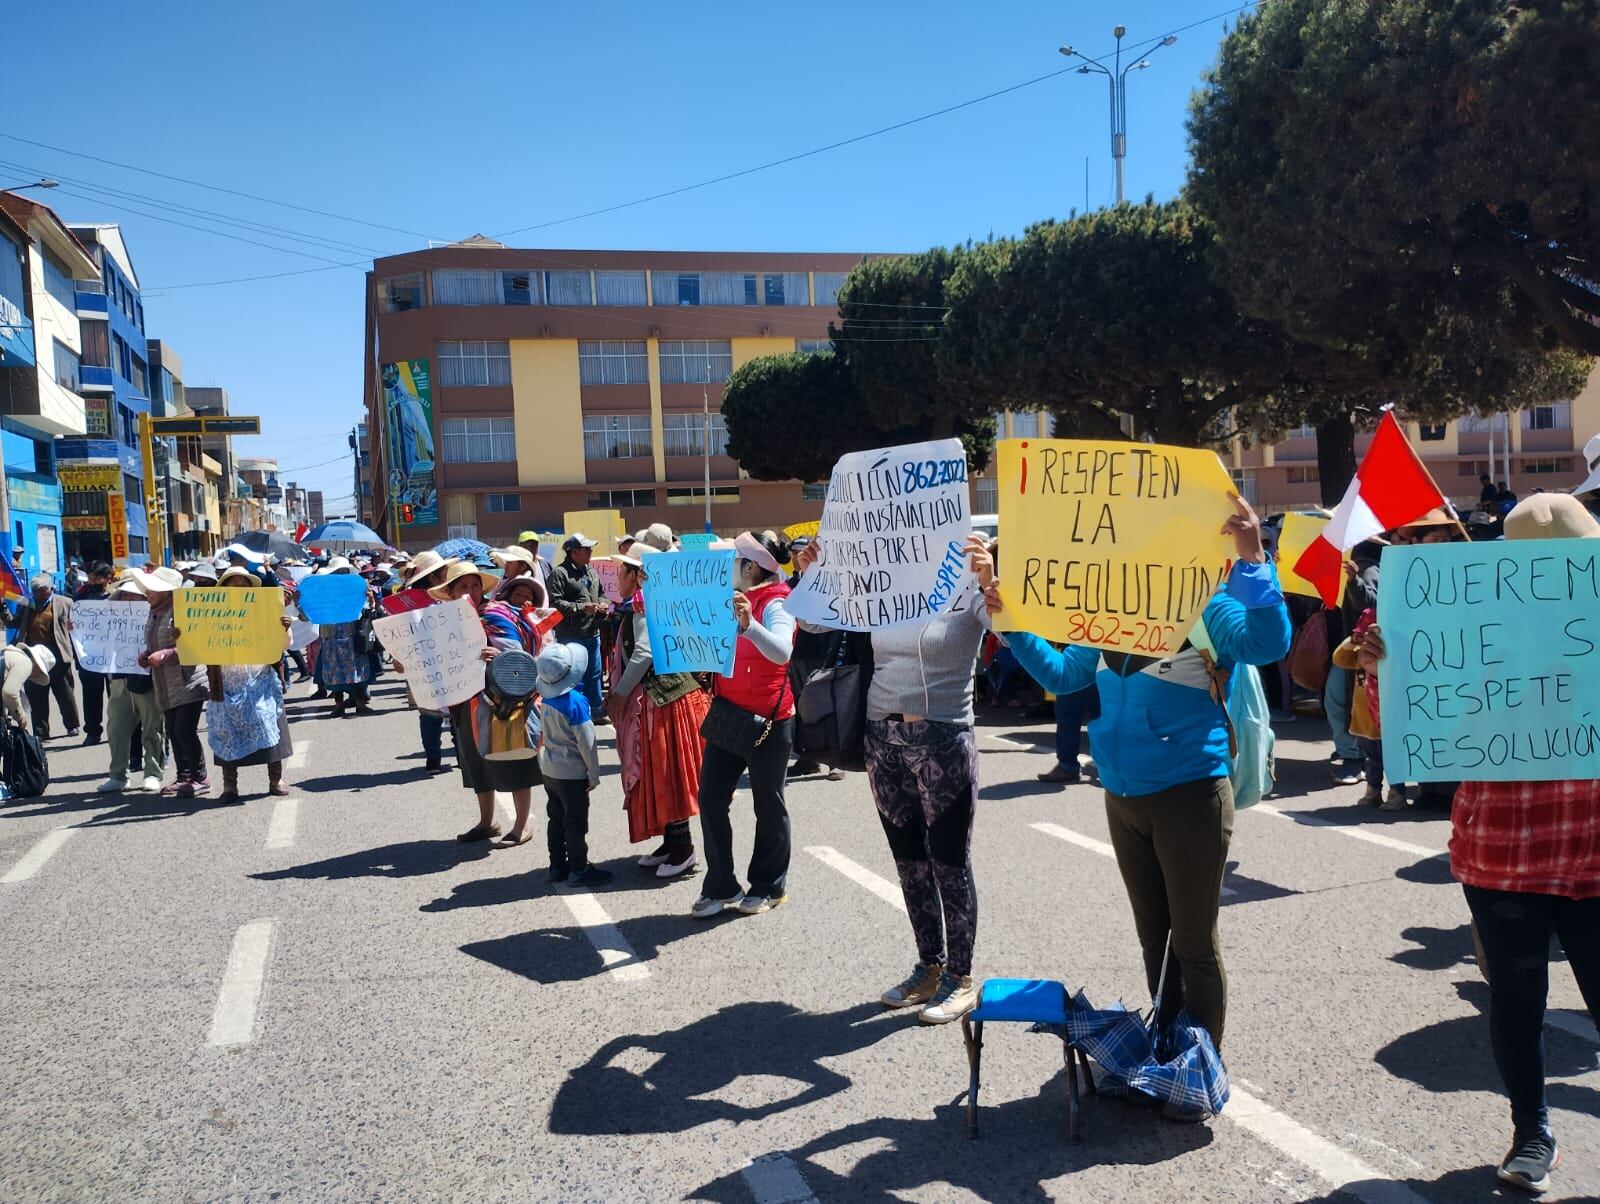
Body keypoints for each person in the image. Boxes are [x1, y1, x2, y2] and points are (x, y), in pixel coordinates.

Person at [1002, 496, 1290, 1088]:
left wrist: (1254, 558)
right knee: (1153, 937)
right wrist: (1010, 624)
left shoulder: (1206, 601)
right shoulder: (1106, 607)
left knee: (1192, 942)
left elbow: (1268, 645)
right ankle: (1164, 1047)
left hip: (1191, 790)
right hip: (1122, 794)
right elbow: (1063, 675)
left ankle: (1201, 1069)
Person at [1357, 492, 1600, 1195]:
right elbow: (1410, 732)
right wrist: (1388, 670)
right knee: (1519, 1006)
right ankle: (1533, 1133)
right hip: (1507, 855)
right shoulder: (1469, 623)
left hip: (1586, 852)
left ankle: (1531, 1133)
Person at [794, 533, 997, 1024]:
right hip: (881, 738)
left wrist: (993, 581)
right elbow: (811, 620)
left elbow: (1011, 633)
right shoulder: (884, 579)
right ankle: (929, 967)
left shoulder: (969, 576)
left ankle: (961, 978)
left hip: (943, 739)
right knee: (909, 864)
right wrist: (812, 572)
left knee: (950, 864)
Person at [690, 532, 797, 920]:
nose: (728, 566)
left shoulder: (777, 602)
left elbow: (783, 651)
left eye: (735, 559)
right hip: (729, 715)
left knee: (769, 803)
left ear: (751, 567)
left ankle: (769, 886)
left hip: (769, 720)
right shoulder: (733, 599)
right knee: (711, 799)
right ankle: (722, 884)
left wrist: (750, 625)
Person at [608, 547, 707, 879]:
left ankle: (683, 848)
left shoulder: (642, 605)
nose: (616, 578)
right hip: (662, 698)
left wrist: (620, 694)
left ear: (636, 575)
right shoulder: (650, 601)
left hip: (661, 701)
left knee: (667, 773)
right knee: (659, 772)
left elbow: (645, 652)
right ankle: (670, 842)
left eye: (621, 571)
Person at [430, 561, 542, 844]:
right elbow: (431, 658)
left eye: (475, 584)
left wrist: (498, 654)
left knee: (514, 756)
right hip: (463, 700)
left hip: (500, 700)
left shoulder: (496, 614)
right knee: (474, 760)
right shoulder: (443, 622)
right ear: (452, 592)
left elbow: (520, 653)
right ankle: (486, 821)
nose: (471, 591)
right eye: (463, 586)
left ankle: (522, 824)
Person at [204, 566, 293, 802]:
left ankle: (276, 779)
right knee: (226, 731)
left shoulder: (264, 612)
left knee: (269, 724)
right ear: (223, 589)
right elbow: (196, 645)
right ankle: (229, 785)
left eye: (244, 586)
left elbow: (283, 646)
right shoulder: (209, 614)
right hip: (225, 681)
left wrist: (284, 628)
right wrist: (182, 636)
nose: (239, 590)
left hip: (259, 680)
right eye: (233, 586)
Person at [537, 642, 609, 887]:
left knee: (555, 818)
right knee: (576, 822)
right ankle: (579, 868)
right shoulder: (576, 701)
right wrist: (594, 773)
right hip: (572, 773)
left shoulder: (546, 698)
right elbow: (587, 742)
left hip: (550, 769)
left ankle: (557, 866)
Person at [136, 566, 211, 797]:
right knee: (173, 730)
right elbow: (156, 642)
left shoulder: (183, 611)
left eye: (152, 589)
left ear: (166, 592)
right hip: (165, 683)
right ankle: (183, 775)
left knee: (184, 730)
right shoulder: (155, 612)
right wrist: (147, 655)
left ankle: (200, 777)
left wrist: (166, 655)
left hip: (188, 679)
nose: (147, 593)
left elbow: (195, 643)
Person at [95, 574, 166, 795]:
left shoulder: (155, 617)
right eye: (125, 595)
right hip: (119, 679)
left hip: (146, 678)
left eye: (134, 595)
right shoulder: (111, 618)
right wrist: (77, 628)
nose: (129, 599)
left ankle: (153, 773)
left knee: (152, 729)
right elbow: (94, 639)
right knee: (116, 729)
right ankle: (118, 775)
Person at [398, 551, 457, 775]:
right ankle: (460, 756)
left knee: (430, 713)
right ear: (433, 577)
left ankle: (433, 760)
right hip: (439, 664)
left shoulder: (408, 601)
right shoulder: (435, 601)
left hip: (429, 665)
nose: (447, 577)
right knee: (453, 711)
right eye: (444, 573)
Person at [5, 574, 79, 740]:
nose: (37, 594)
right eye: (34, 591)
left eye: (41, 590)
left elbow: (78, 628)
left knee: (65, 693)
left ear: (50, 589)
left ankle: (72, 725)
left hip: (58, 656)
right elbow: (12, 622)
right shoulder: (27, 604)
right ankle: (41, 731)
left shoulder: (65, 602)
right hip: (33, 656)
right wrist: (2, 608)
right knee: (36, 694)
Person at [547, 534, 608, 715]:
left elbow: (602, 593)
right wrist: (582, 608)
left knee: (594, 674)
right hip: (570, 636)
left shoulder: (592, 571)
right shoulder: (559, 574)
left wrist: (603, 603)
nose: (590, 552)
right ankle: (575, 711)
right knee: (573, 676)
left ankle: (596, 709)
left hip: (592, 632)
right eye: (586, 549)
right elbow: (555, 604)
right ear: (573, 552)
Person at [312, 557, 375, 717]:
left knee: (357, 669)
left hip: (352, 634)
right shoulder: (324, 592)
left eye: (344, 571)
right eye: (339, 571)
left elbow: (366, 610)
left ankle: (360, 703)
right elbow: (313, 611)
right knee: (334, 671)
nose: (342, 574)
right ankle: (339, 704)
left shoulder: (357, 588)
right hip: (331, 636)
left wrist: (370, 600)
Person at [72, 561, 115, 746]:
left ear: (107, 579)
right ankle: (92, 731)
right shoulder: (81, 596)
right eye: (90, 578)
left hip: (114, 655)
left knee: (117, 697)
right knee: (91, 695)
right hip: (89, 655)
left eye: (96, 578)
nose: (92, 581)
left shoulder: (117, 596)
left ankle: (118, 730)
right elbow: (74, 619)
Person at [2, 643, 55, 733]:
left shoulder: (10, 655)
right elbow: (9, 693)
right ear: (37, 664)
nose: (38, 676)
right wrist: (20, 716)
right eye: (41, 672)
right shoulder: (26, 662)